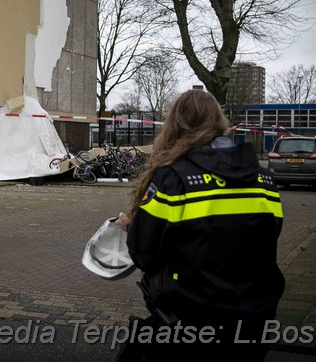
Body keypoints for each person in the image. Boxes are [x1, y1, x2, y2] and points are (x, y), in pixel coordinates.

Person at [115, 90, 285, 361]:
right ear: (219, 121)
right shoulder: (264, 180)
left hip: (192, 319)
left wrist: (132, 227)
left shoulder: (174, 179)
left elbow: (144, 254)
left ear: (176, 124)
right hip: (256, 319)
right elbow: (264, 236)